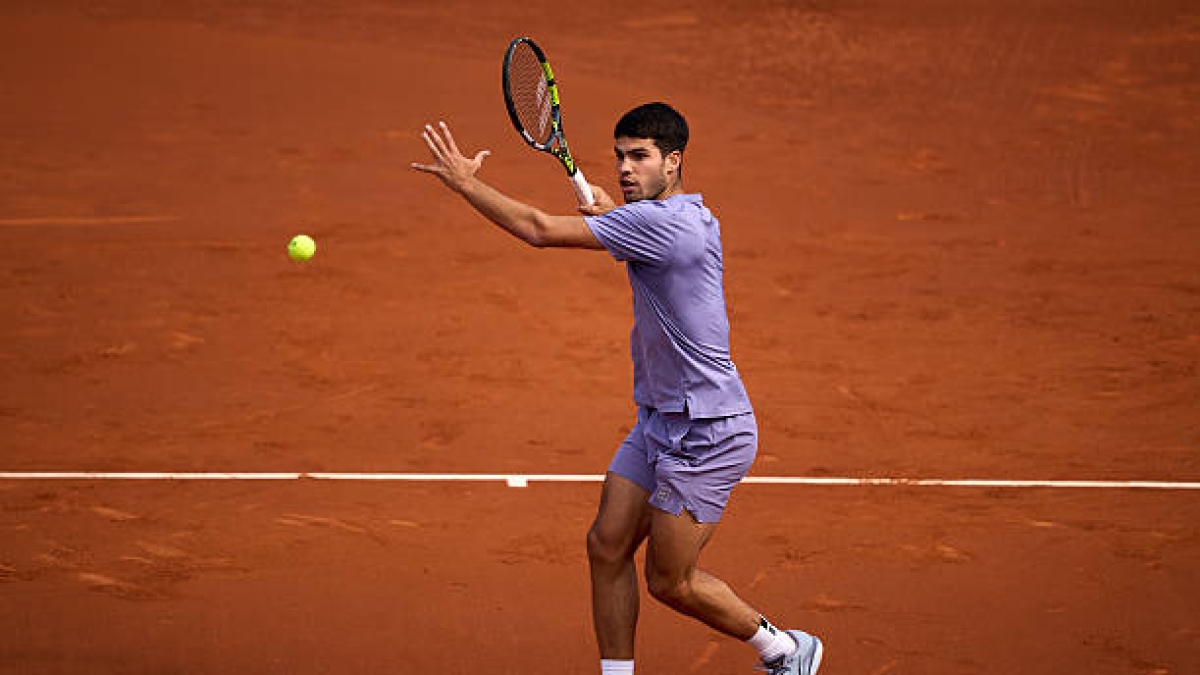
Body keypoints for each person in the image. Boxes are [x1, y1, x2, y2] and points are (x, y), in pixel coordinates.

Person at [411, 102, 823, 675]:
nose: (625, 169)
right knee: (606, 545)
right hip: (659, 419)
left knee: (669, 581)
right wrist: (615, 217)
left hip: (708, 434)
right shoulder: (685, 214)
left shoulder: (656, 225)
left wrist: (465, 184)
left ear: (673, 161)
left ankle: (784, 649)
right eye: (619, 157)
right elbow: (639, 236)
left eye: (640, 157)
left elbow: (538, 228)